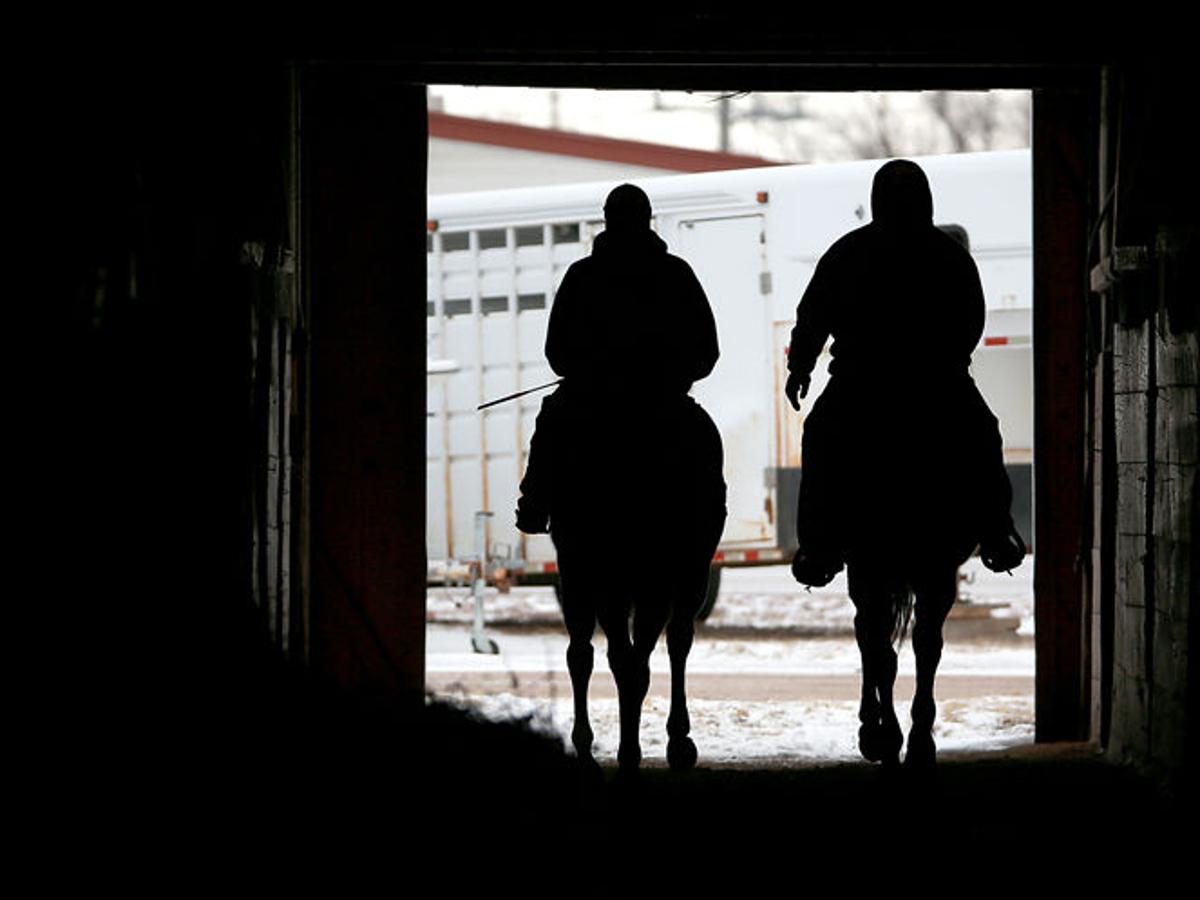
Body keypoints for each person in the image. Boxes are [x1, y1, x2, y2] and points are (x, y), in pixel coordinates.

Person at [785, 159, 1025, 586]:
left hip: (860, 386)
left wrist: (800, 367)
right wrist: (948, 362)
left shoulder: (847, 252)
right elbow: (973, 320)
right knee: (982, 433)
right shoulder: (949, 255)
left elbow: (813, 316)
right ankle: (996, 533)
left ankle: (817, 547)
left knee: (821, 436)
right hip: (937, 385)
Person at [515, 183, 719, 534]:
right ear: (648, 219)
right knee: (703, 456)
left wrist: (592, 373)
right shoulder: (676, 273)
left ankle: (534, 509)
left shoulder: (582, 276)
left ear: (607, 221)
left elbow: (557, 353)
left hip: (590, 402)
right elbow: (706, 352)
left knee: (552, 428)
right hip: (664, 401)